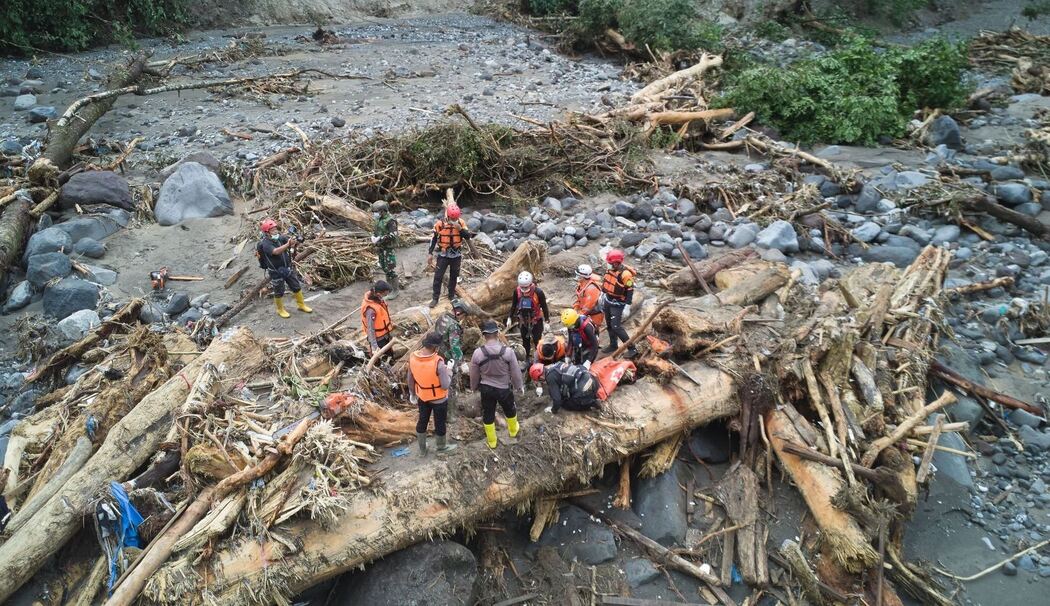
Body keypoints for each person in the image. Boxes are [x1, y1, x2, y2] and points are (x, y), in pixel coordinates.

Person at [469, 320, 523, 449]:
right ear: (497, 334)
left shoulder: (478, 353)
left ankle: (492, 441)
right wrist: (519, 386)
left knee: (488, 413)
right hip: (504, 388)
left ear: (484, 335)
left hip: (486, 389)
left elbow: (473, 374)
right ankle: (513, 431)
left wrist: (473, 387)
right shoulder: (508, 352)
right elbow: (515, 372)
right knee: (510, 410)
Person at [408, 332, 456, 456]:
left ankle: (422, 449)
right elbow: (445, 385)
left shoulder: (413, 358)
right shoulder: (438, 362)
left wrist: (412, 393)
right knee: (440, 423)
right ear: (436, 347)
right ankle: (441, 447)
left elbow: (410, 378)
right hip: (439, 399)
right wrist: (449, 370)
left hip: (422, 397)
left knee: (422, 421)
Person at [256, 218, 312, 318]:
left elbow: (291, 243)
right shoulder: (265, 243)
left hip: (287, 268)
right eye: (272, 230)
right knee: (279, 291)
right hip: (276, 271)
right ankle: (280, 309)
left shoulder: (281, 238)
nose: (275, 231)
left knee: (296, 286)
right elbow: (276, 251)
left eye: (275, 229)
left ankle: (301, 305)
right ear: (267, 232)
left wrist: (295, 241)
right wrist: (288, 244)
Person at [428, 203, 472, 308]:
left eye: (456, 218)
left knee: (454, 276)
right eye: (453, 218)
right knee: (438, 276)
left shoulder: (461, 223)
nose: (454, 220)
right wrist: (430, 253)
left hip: (456, 255)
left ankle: (451, 295)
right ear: (448, 216)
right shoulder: (440, 224)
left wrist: (460, 229)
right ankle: (435, 298)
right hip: (443, 254)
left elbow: (468, 236)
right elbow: (433, 239)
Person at [435, 298, 469, 413]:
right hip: (448, 358)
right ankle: (451, 413)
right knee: (451, 384)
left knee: (440, 381)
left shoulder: (442, 316)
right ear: (458, 312)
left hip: (438, 354)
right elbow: (455, 347)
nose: (463, 318)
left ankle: (441, 407)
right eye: (463, 315)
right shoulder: (453, 326)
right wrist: (461, 363)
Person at [600, 249, 636, 357]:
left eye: (610, 263)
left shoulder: (626, 274)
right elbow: (607, 282)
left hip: (618, 304)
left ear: (616, 263)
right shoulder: (611, 270)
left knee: (616, 327)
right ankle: (613, 345)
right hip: (608, 300)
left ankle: (632, 348)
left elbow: (630, 290)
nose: (608, 264)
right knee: (609, 325)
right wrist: (602, 295)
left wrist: (627, 306)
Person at [507, 271, 549, 364]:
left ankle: (540, 359)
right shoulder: (517, 291)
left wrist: (547, 321)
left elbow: (544, 307)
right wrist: (509, 318)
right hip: (523, 321)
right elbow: (513, 306)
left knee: (537, 341)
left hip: (536, 321)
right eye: (522, 287)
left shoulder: (538, 292)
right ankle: (526, 359)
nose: (524, 289)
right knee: (525, 341)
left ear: (530, 284)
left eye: (526, 287)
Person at [529, 360, 600, 414]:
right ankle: (591, 396)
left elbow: (557, 401)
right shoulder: (557, 364)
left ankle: (591, 403)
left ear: (541, 377)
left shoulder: (550, 377)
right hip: (593, 380)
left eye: (539, 380)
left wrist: (553, 410)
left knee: (565, 404)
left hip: (584, 390)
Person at [370, 200, 400, 300]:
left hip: (388, 248)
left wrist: (381, 238)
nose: (375, 214)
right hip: (381, 248)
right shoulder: (379, 220)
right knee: (384, 267)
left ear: (382, 211)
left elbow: (393, 235)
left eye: (376, 212)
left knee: (390, 268)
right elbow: (376, 230)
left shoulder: (391, 221)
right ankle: (389, 289)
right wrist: (373, 237)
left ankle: (395, 290)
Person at [360, 280, 394, 356]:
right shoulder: (370, 310)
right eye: (385, 294)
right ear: (379, 294)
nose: (386, 295)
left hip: (385, 335)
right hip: (379, 340)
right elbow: (370, 329)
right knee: (383, 358)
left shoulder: (377, 298)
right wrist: (374, 346)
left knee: (390, 354)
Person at [573, 264, 605, 328]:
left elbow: (588, 307)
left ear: (582, 276)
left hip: (594, 316)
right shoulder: (582, 285)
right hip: (586, 314)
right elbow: (579, 299)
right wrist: (575, 309)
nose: (577, 277)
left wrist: (577, 316)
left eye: (578, 275)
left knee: (591, 331)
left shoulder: (591, 289)